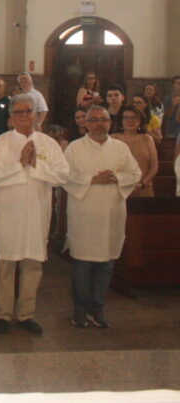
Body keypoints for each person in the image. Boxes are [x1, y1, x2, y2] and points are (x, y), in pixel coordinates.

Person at [0, 94, 69, 336]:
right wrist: (20, 164)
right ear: (11, 117)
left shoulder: (48, 144)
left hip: (36, 213)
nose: (23, 115)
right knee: (6, 267)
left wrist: (36, 166)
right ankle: (2, 314)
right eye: (18, 112)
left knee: (32, 267)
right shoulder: (2, 142)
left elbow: (62, 175)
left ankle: (26, 314)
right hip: (9, 213)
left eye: (28, 111)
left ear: (36, 114)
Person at [63, 105, 141, 328]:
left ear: (110, 122)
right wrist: (92, 180)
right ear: (86, 124)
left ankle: (97, 308)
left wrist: (117, 177)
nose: (99, 124)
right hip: (84, 215)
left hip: (111, 214)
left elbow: (135, 173)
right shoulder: (74, 148)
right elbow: (64, 175)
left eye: (103, 120)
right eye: (94, 120)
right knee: (83, 265)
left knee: (106, 265)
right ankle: (79, 309)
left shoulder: (120, 147)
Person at [112, 105, 158, 197]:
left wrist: (141, 183)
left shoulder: (147, 139)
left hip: (143, 187)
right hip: (118, 189)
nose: (130, 120)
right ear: (121, 120)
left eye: (134, 117)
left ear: (140, 120)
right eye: (126, 117)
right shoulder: (112, 139)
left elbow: (154, 167)